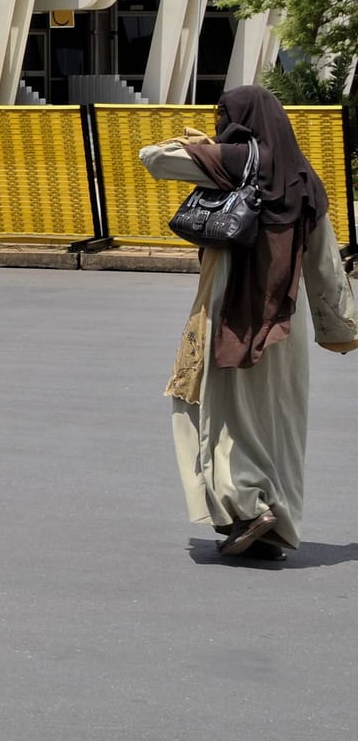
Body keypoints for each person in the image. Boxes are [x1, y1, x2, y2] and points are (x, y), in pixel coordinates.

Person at [140, 86, 358, 561]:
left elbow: (151, 157)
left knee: (217, 414)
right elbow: (325, 262)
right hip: (285, 320)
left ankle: (245, 508)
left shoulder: (234, 160)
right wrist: (339, 327)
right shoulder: (305, 178)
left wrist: (196, 143)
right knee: (278, 421)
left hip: (230, 314)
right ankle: (275, 527)